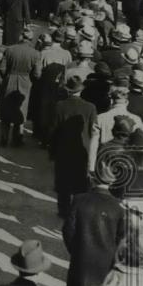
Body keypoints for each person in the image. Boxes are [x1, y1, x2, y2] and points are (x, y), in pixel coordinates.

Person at [64, 168, 124, 286]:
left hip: (82, 256)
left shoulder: (79, 200)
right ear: (111, 182)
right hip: (106, 259)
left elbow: (68, 230)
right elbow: (122, 238)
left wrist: (75, 250)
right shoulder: (118, 207)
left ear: (93, 179)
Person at [49, 75, 98, 219]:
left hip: (63, 149)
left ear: (68, 90)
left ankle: (63, 210)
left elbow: (53, 130)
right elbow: (93, 131)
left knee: (63, 181)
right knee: (80, 182)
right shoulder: (90, 107)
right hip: (82, 149)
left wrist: (52, 151)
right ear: (81, 90)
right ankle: (77, 212)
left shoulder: (59, 106)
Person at [0, 26, 42, 146]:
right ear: (31, 39)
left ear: (21, 37)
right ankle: (17, 139)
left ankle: (4, 138)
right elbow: (37, 74)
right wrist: (30, 79)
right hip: (25, 81)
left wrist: (7, 76)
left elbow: (1, 67)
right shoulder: (36, 54)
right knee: (21, 109)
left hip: (9, 79)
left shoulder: (10, 49)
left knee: (6, 109)